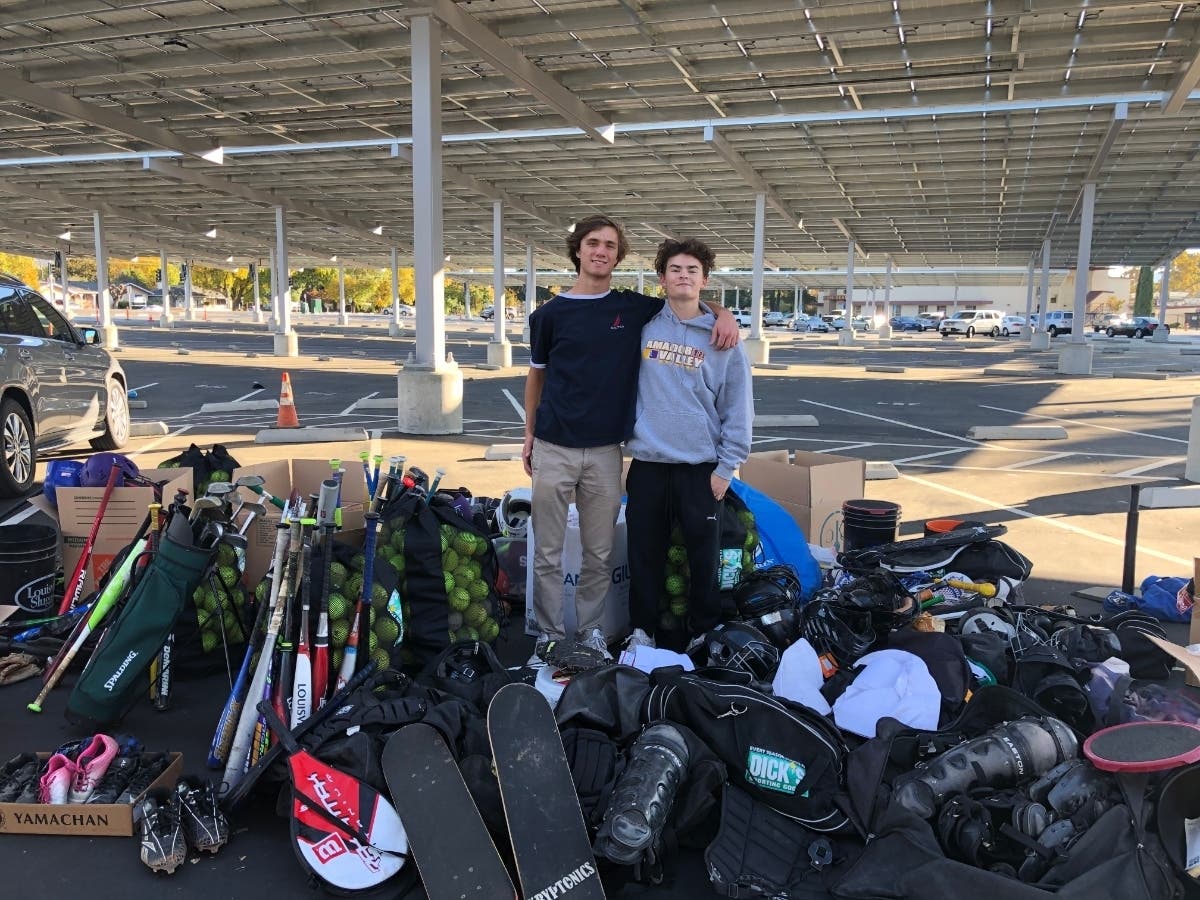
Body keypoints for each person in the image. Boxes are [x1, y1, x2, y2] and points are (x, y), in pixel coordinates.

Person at [522, 216, 738, 664]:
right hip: (556, 446)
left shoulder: (633, 308)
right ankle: (548, 635)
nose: (601, 251)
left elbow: (686, 295)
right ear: (577, 250)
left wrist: (724, 313)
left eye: (609, 245)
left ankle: (591, 633)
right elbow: (536, 376)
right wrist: (528, 435)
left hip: (608, 452)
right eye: (593, 243)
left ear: (618, 256)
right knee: (548, 551)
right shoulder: (548, 315)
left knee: (600, 553)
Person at [624, 238, 752, 650]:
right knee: (644, 554)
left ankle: (703, 632)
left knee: (703, 558)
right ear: (662, 279)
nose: (683, 276)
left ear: (704, 280)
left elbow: (738, 406)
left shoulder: (723, 339)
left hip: (701, 468)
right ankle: (642, 631)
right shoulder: (643, 326)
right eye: (675, 269)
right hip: (649, 463)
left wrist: (726, 467)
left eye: (692, 270)